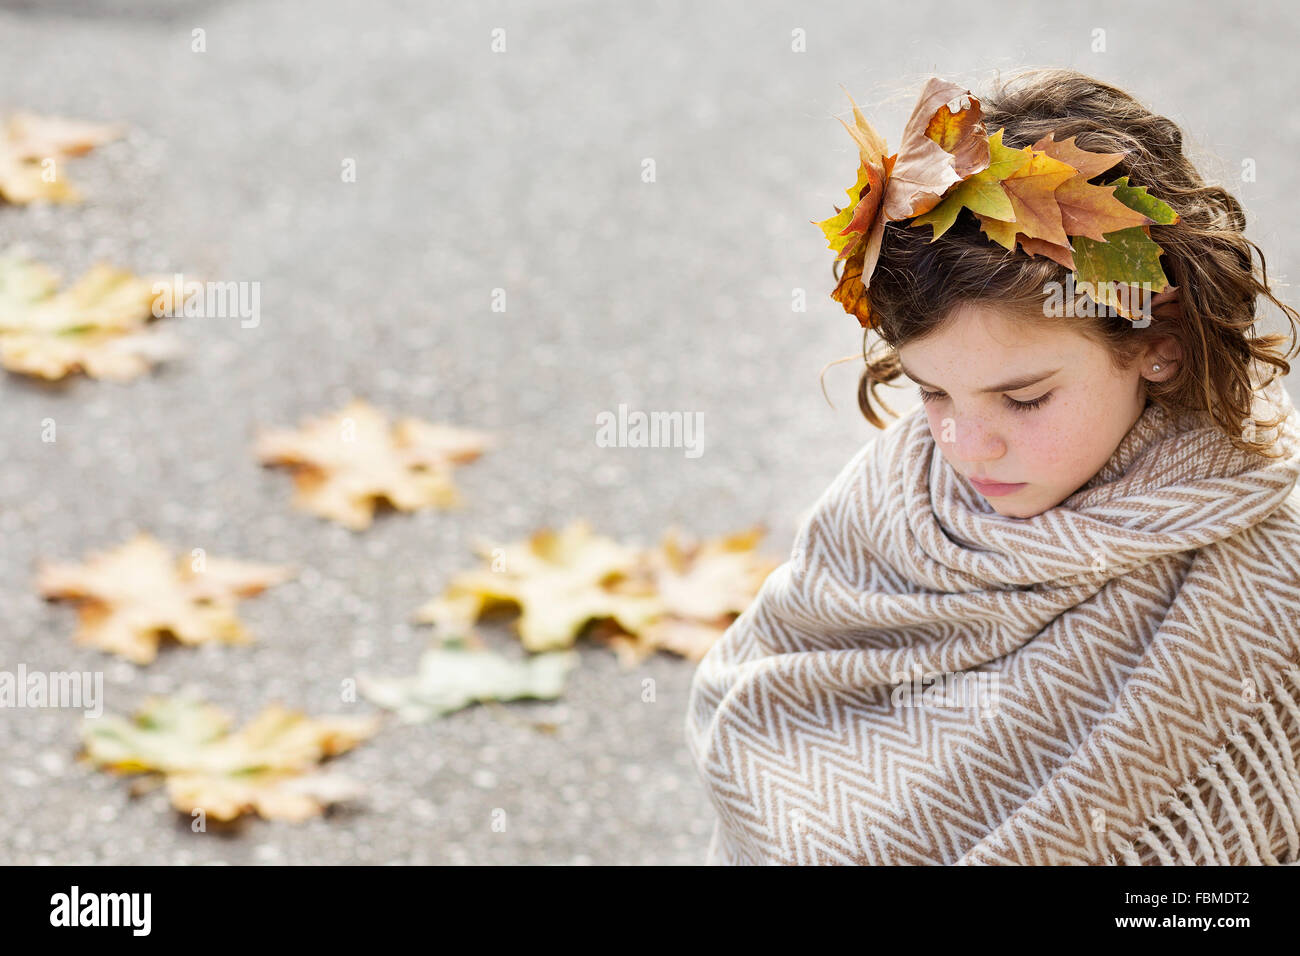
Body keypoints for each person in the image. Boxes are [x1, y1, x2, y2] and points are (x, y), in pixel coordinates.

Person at [684, 67, 1300, 865]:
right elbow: (764, 713)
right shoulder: (885, 509)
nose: (964, 445)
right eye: (932, 391)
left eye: (1025, 398)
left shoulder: (1260, 589)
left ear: (1159, 348)